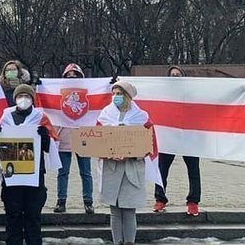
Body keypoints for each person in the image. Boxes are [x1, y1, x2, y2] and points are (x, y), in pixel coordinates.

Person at [0, 84, 59, 245]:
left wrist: (45, 137)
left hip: (34, 176)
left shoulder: (41, 118)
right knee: (12, 216)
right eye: (20, 96)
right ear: (15, 99)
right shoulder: (6, 117)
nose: (24, 99)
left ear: (32, 99)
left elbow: (52, 146)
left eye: (27, 96)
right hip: (11, 176)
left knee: (33, 216)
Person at [98, 80, 158, 245]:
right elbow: (96, 140)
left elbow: (150, 143)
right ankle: (117, 241)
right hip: (111, 168)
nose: (115, 97)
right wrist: (109, 154)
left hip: (132, 169)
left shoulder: (142, 117)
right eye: (114, 93)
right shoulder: (105, 115)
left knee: (129, 210)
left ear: (128, 96)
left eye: (119, 94)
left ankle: (130, 242)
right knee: (115, 210)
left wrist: (132, 155)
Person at [154, 65, 201, 216]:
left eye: (178, 74)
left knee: (193, 170)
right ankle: (160, 199)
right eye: (172, 75)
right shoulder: (163, 94)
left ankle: (193, 202)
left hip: (189, 137)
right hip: (169, 136)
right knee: (162, 169)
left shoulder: (192, 94)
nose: (175, 77)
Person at [53, 63, 94, 214]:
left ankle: (88, 202)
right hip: (64, 137)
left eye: (75, 75)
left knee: (86, 173)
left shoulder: (88, 92)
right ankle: (61, 201)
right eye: (69, 75)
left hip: (83, 137)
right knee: (63, 173)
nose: (72, 78)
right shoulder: (58, 93)